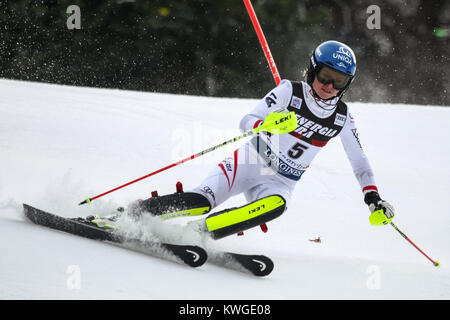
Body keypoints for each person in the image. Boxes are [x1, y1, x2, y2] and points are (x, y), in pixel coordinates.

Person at [91, 40, 395, 238]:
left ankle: (197, 234)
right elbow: (246, 121)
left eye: (338, 81)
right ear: (313, 70)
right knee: (200, 200)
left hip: (281, 181)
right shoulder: (290, 91)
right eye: (325, 75)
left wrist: (373, 197)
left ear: (346, 84)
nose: (329, 85)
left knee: (276, 206)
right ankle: (128, 214)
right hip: (250, 161)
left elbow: (359, 161)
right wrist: (268, 123)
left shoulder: (342, 116)